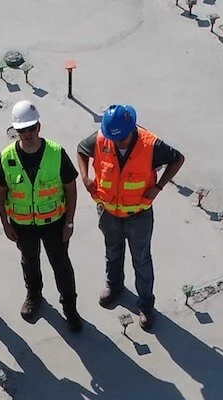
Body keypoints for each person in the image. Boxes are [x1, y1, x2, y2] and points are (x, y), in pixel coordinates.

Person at [77, 102, 184, 332]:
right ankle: (114, 287)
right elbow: (81, 150)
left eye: (122, 139)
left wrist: (159, 186)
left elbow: (178, 159)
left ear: (132, 129)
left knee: (142, 260)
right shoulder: (101, 138)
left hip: (138, 214)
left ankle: (146, 305)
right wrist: (85, 178)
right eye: (114, 139)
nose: (118, 143)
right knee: (112, 253)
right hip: (108, 212)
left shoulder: (150, 144)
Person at [0, 100, 80, 331]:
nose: (27, 133)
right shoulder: (7, 156)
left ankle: (70, 308)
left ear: (39, 127)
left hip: (55, 223)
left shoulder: (55, 152)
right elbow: (1, 192)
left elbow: (71, 189)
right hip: (23, 225)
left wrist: (69, 222)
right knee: (29, 261)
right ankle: (34, 296)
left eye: (31, 128)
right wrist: (5, 224)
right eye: (22, 130)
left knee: (61, 265)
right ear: (16, 131)